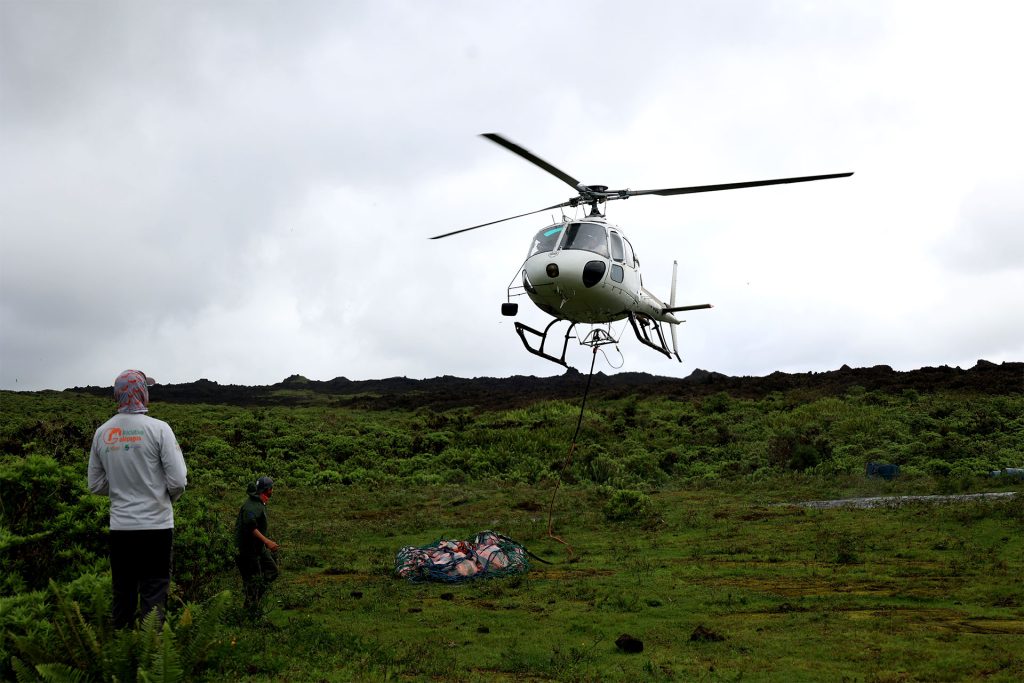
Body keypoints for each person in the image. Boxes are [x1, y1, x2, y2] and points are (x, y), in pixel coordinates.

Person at [88, 369, 187, 629]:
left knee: (123, 594)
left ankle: (121, 658)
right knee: (154, 595)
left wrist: (123, 487)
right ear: (142, 392)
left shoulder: (102, 433)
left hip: (121, 528)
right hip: (157, 527)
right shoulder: (160, 430)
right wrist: (161, 496)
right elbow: (178, 481)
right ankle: (150, 658)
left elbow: (95, 484)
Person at [235, 476, 280, 611]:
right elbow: (250, 527)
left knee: (272, 570)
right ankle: (250, 608)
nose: (273, 490)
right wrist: (267, 541)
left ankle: (254, 600)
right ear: (267, 490)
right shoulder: (251, 507)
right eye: (271, 488)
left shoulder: (260, 502)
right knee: (253, 580)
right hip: (247, 551)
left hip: (258, 548)